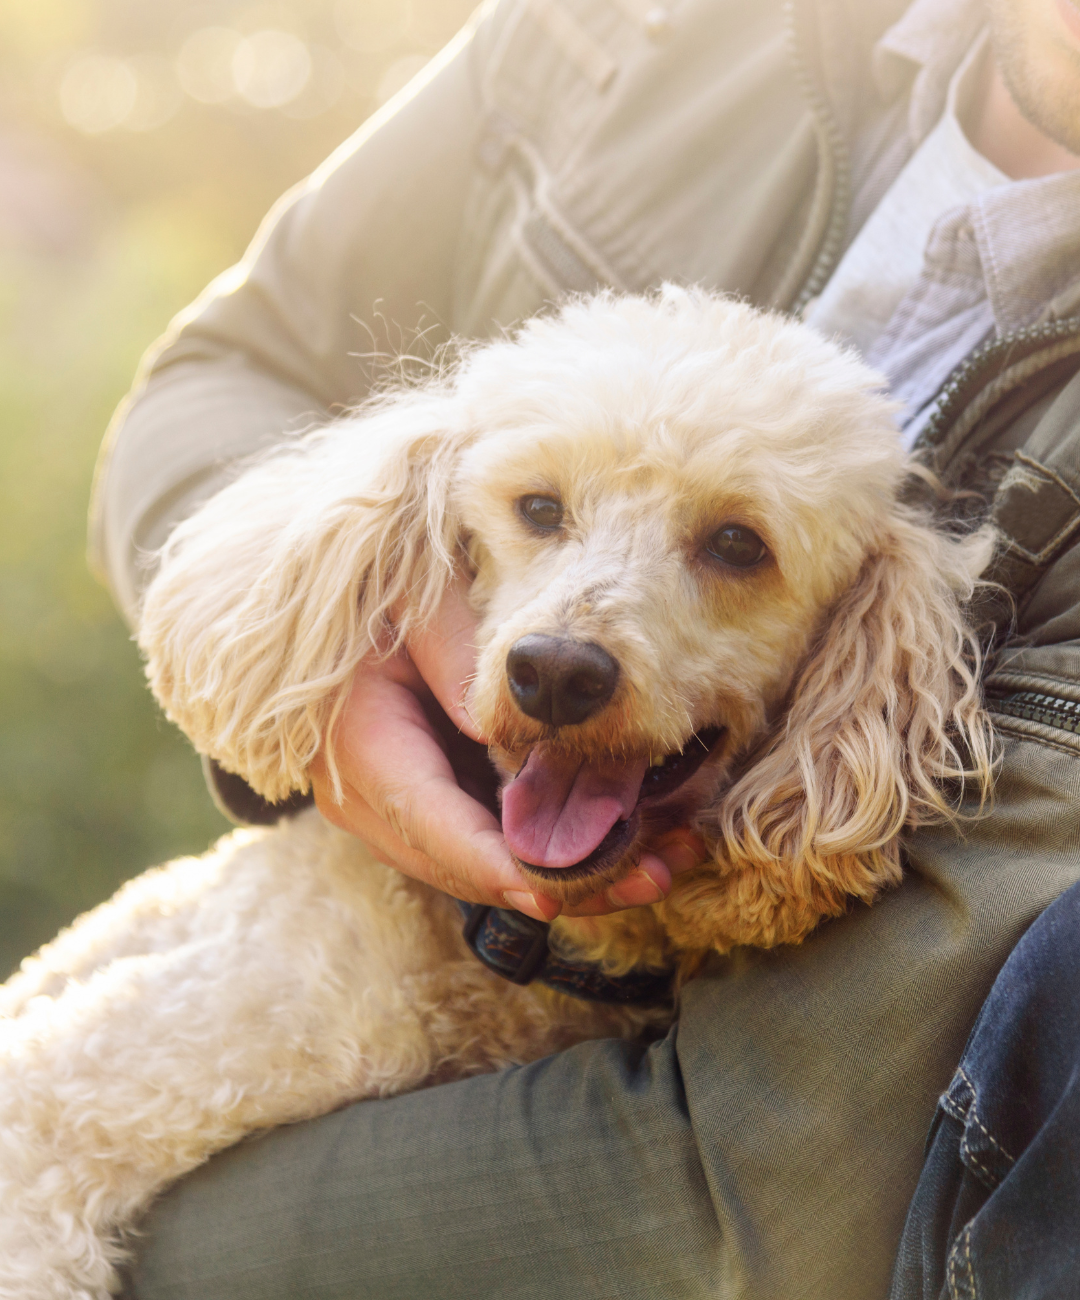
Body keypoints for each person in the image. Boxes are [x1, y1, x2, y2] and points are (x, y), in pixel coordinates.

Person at [90, 0, 1080, 1294]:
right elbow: (241, 363)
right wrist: (332, 662)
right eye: (541, 513)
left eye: (736, 548)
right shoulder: (609, 21)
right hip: (296, 946)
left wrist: (129, 1239)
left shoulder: (893, 637)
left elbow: (784, 1156)